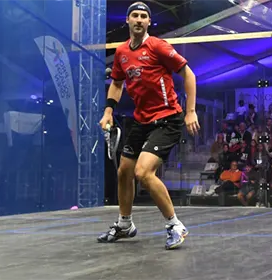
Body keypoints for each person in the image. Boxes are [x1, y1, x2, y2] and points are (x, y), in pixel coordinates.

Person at [97, 1, 200, 250]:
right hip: (141, 119)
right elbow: (117, 83)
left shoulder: (158, 46)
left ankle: (175, 225)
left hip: (167, 119)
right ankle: (125, 224)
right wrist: (108, 110)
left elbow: (189, 74)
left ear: (149, 22)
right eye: (135, 15)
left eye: (144, 16)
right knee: (123, 171)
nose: (139, 19)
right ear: (128, 20)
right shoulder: (121, 52)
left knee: (143, 173)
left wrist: (191, 111)